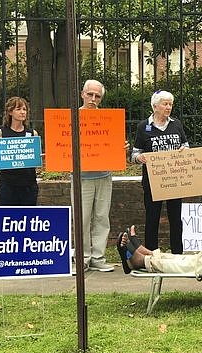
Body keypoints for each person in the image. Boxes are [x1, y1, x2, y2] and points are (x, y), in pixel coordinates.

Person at [74, 79, 128, 272]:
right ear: (82, 94)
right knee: (82, 218)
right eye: (90, 94)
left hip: (104, 175)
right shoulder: (72, 117)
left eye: (97, 96)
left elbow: (114, 143)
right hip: (82, 177)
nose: (93, 99)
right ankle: (82, 259)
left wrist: (122, 147)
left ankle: (98, 257)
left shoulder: (107, 119)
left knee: (101, 217)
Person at [132, 90, 189, 254]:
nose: (168, 107)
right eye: (165, 104)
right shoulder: (144, 127)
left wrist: (184, 151)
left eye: (170, 104)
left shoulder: (176, 124)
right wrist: (140, 157)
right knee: (152, 217)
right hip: (152, 181)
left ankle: (177, 253)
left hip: (175, 179)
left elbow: (185, 145)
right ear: (155, 106)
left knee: (175, 218)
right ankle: (152, 253)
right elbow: (134, 154)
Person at [0, 97, 39, 205]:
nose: (22, 112)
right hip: (8, 184)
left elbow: (34, 159)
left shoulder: (32, 133)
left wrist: (39, 157)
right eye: (18, 109)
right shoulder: (0, 134)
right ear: (10, 112)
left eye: (24, 109)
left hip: (28, 185)